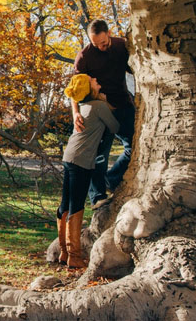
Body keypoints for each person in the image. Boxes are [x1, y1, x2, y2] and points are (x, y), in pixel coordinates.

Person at [57, 73, 119, 268]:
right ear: (89, 88)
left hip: (69, 156)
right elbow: (115, 126)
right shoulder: (98, 106)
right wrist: (106, 103)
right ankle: (74, 256)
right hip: (82, 160)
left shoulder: (83, 107)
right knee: (76, 205)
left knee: (65, 204)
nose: (97, 81)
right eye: (94, 81)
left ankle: (64, 253)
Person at [72, 19, 135, 209]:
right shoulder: (84, 57)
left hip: (123, 105)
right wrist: (75, 114)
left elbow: (136, 70)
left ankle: (111, 179)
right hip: (99, 109)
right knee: (97, 155)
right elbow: (74, 89)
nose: (100, 47)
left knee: (133, 147)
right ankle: (97, 196)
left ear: (109, 34)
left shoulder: (121, 46)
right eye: (95, 44)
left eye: (103, 43)